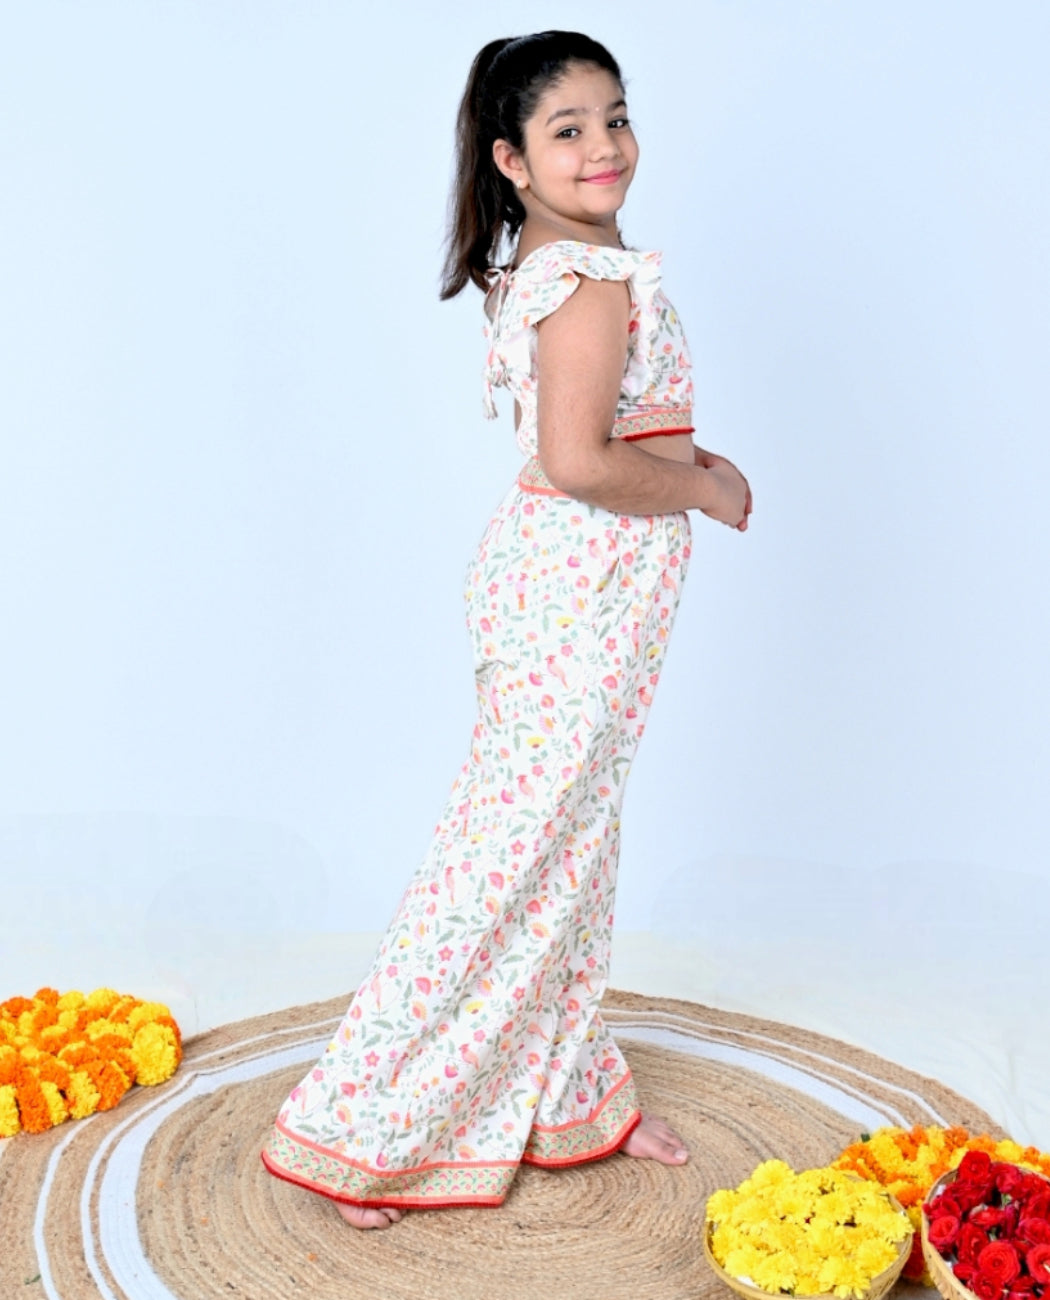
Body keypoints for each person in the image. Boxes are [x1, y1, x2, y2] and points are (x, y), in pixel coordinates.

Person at [261, 29, 751, 1230]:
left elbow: (602, 440)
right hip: (578, 588)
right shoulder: (585, 284)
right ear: (512, 160)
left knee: (569, 848)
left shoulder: (565, 261)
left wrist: (681, 477)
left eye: (615, 117)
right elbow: (580, 460)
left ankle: (566, 1092)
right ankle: (361, 1126)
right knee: (502, 864)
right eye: (567, 130)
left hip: (585, 588)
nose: (604, 146)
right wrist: (706, 485)